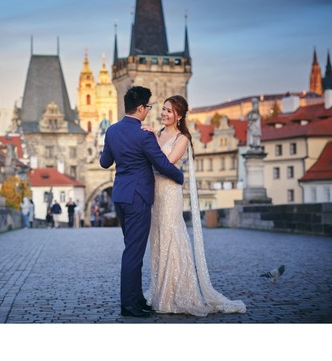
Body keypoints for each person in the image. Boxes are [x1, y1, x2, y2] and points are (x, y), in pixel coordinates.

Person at [141, 95, 246, 316]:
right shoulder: (159, 133)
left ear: (178, 116)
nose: (164, 114)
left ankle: (176, 293)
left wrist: (151, 140)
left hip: (169, 192)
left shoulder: (182, 139)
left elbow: (166, 163)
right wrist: (152, 137)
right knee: (158, 238)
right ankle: (161, 290)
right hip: (155, 193)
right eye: (163, 109)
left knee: (171, 236)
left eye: (169, 111)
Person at [100, 86, 186, 318]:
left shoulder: (112, 131)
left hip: (120, 196)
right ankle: (129, 305)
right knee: (133, 253)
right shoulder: (144, 134)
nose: (149, 111)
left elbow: (104, 162)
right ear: (139, 108)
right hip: (138, 198)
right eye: (148, 106)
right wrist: (181, 177)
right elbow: (162, 164)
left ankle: (136, 298)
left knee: (132, 248)